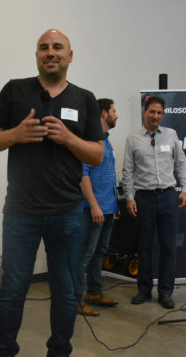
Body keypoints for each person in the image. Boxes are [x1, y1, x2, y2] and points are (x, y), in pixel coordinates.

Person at [0, 29, 104, 357]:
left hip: (67, 214)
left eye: (57, 48)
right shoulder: (14, 91)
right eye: (44, 48)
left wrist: (68, 138)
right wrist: (16, 133)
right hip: (21, 213)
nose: (50, 53)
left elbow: (96, 155)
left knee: (66, 295)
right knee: (12, 295)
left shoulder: (85, 99)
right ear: (37, 55)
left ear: (70, 55)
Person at [121, 96, 186, 309]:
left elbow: (181, 163)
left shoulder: (171, 135)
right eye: (152, 112)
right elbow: (127, 171)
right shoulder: (133, 139)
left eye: (159, 113)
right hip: (144, 198)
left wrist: (185, 189)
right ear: (145, 112)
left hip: (169, 196)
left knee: (168, 246)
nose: (156, 116)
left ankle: (165, 292)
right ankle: (144, 290)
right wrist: (130, 197)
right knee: (144, 247)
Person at [77, 98, 120, 317]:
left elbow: (109, 176)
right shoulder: (90, 140)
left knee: (98, 253)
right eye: (114, 111)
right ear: (104, 113)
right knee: (85, 254)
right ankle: (74, 301)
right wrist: (94, 205)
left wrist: (114, 205)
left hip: (108, 208)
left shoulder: (107, 141)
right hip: (93, 209)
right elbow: (82, 176)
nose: (117, 115)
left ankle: (94, 293)